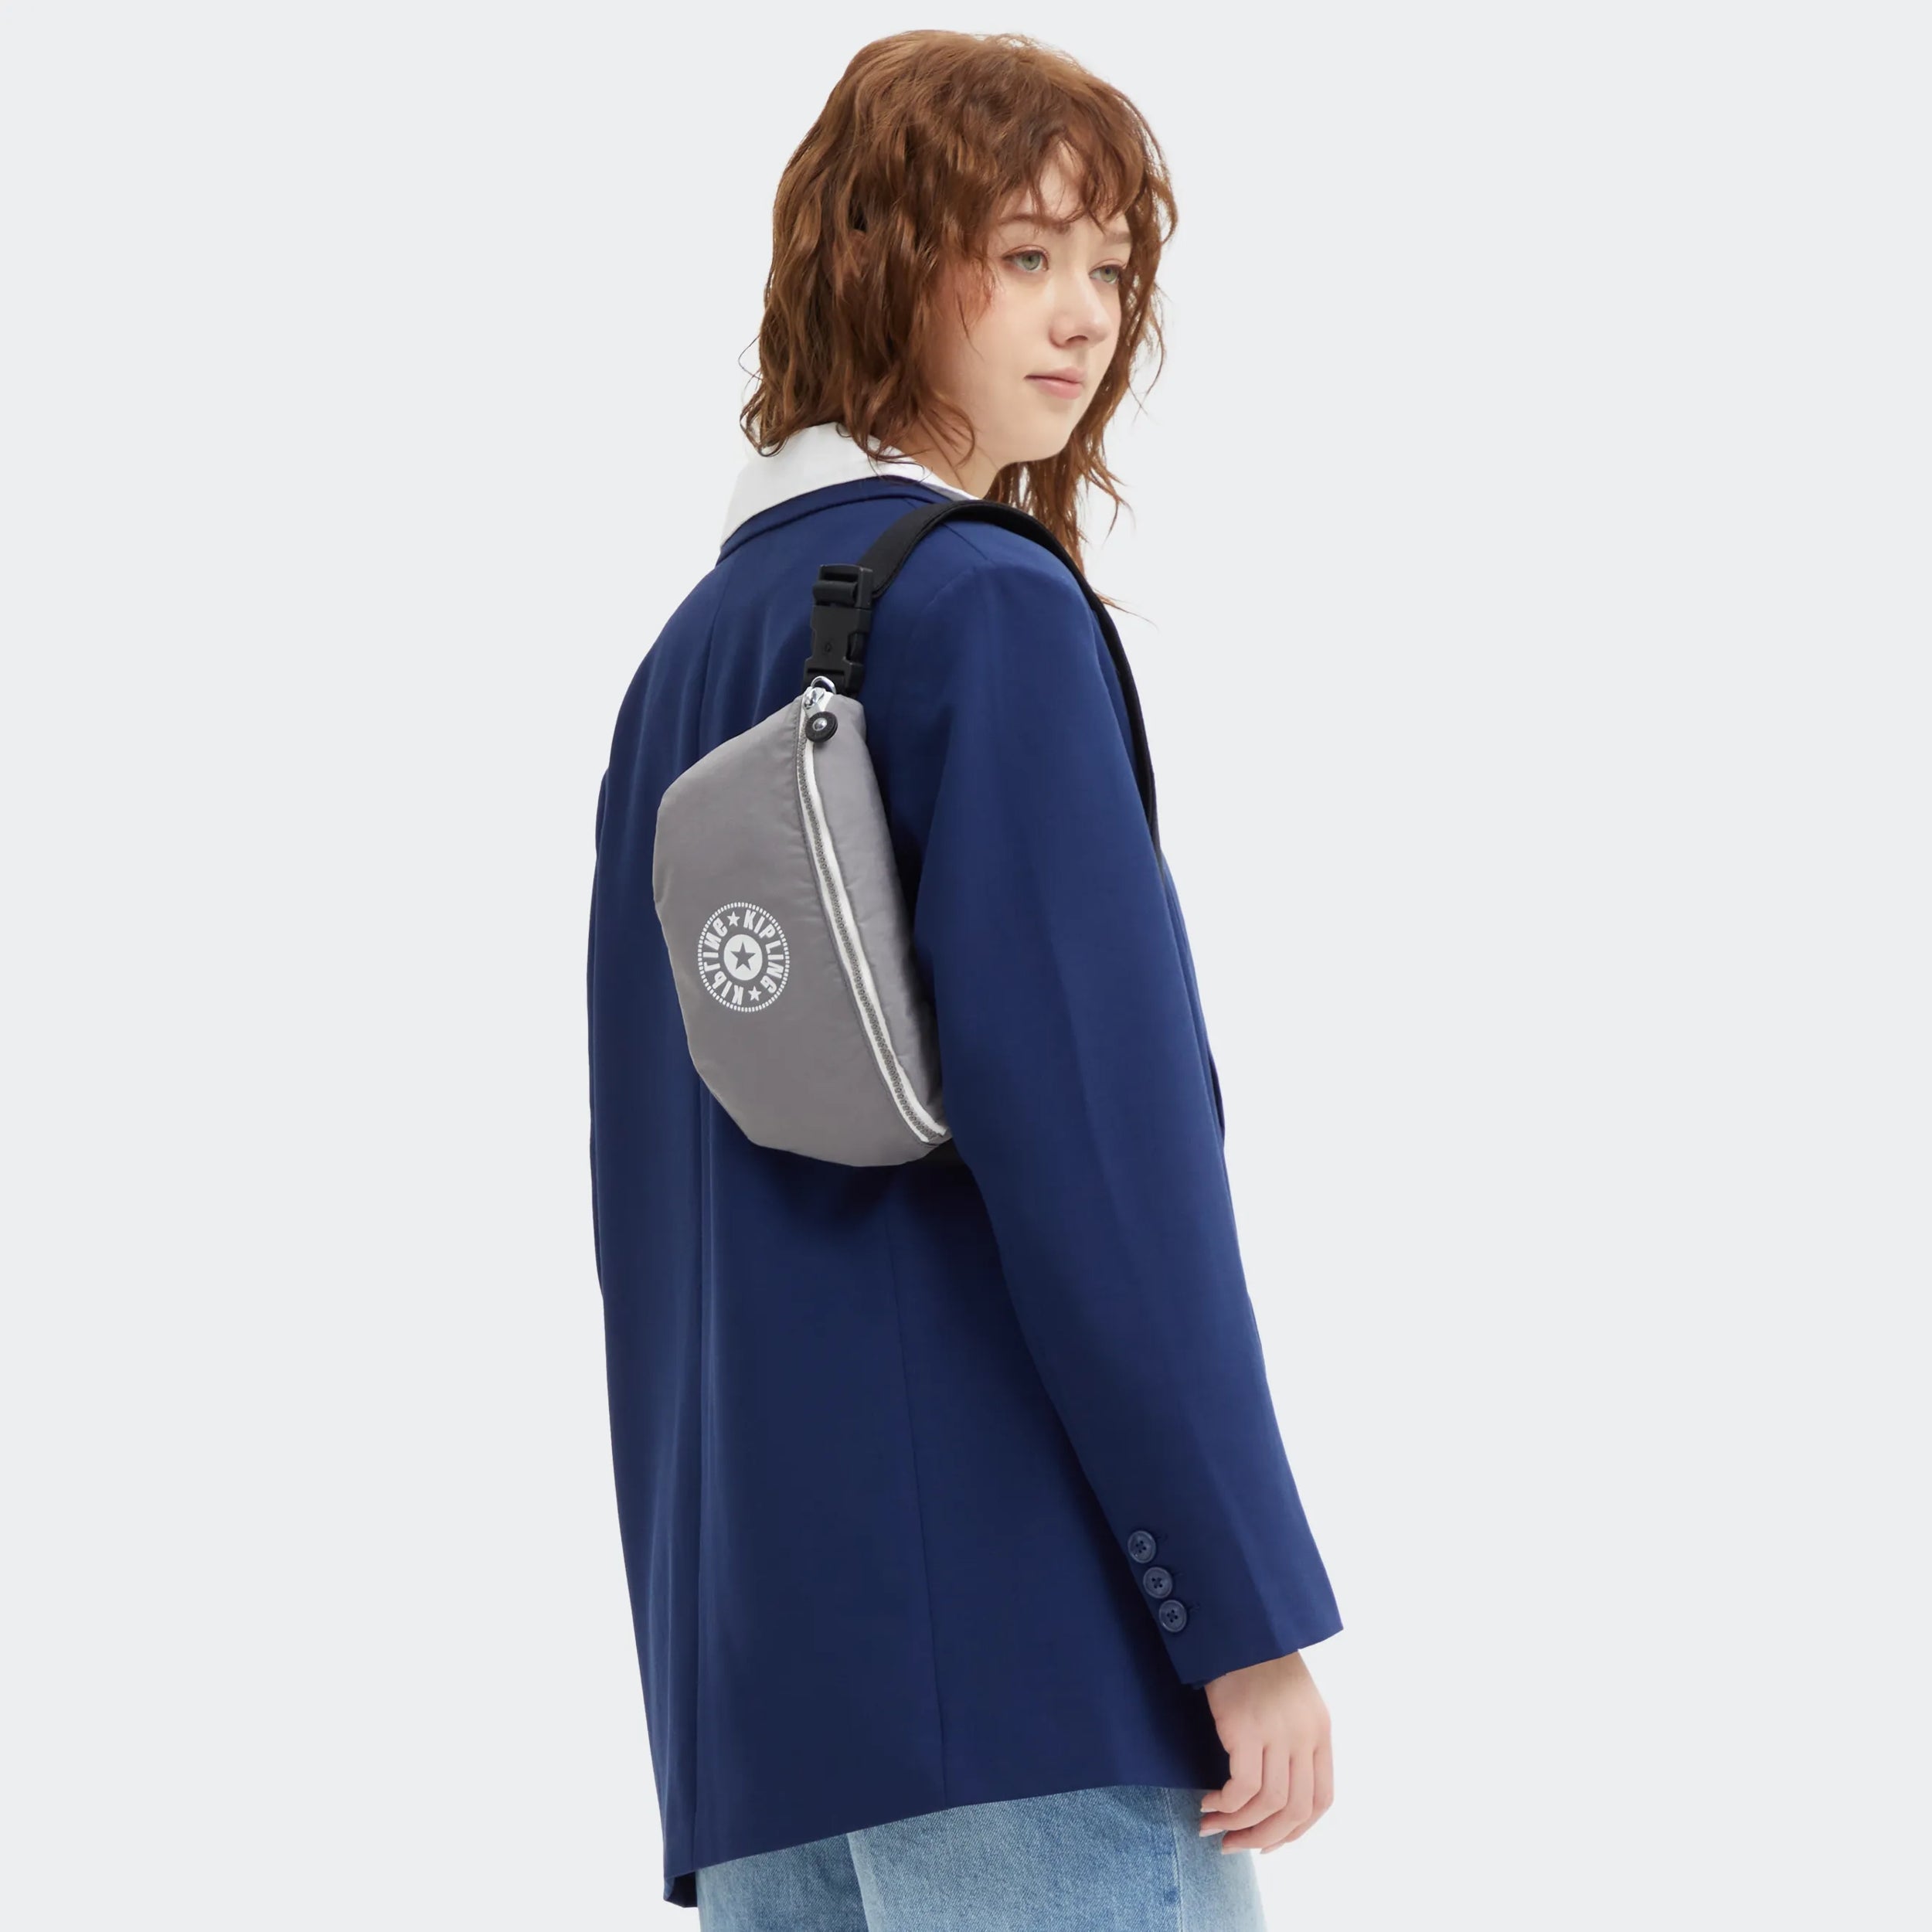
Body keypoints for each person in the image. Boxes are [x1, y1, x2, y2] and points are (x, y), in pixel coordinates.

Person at [586, 29, 1342, 1927]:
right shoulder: (983, 604)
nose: (1082, 317)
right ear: (875, 257)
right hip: (1025, 1664)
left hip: (767, 1706)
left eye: (1108, 267)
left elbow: (652, 1206)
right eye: (1021, 256)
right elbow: (1098, 1149)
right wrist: (1239, 1614)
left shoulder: (687, 658)